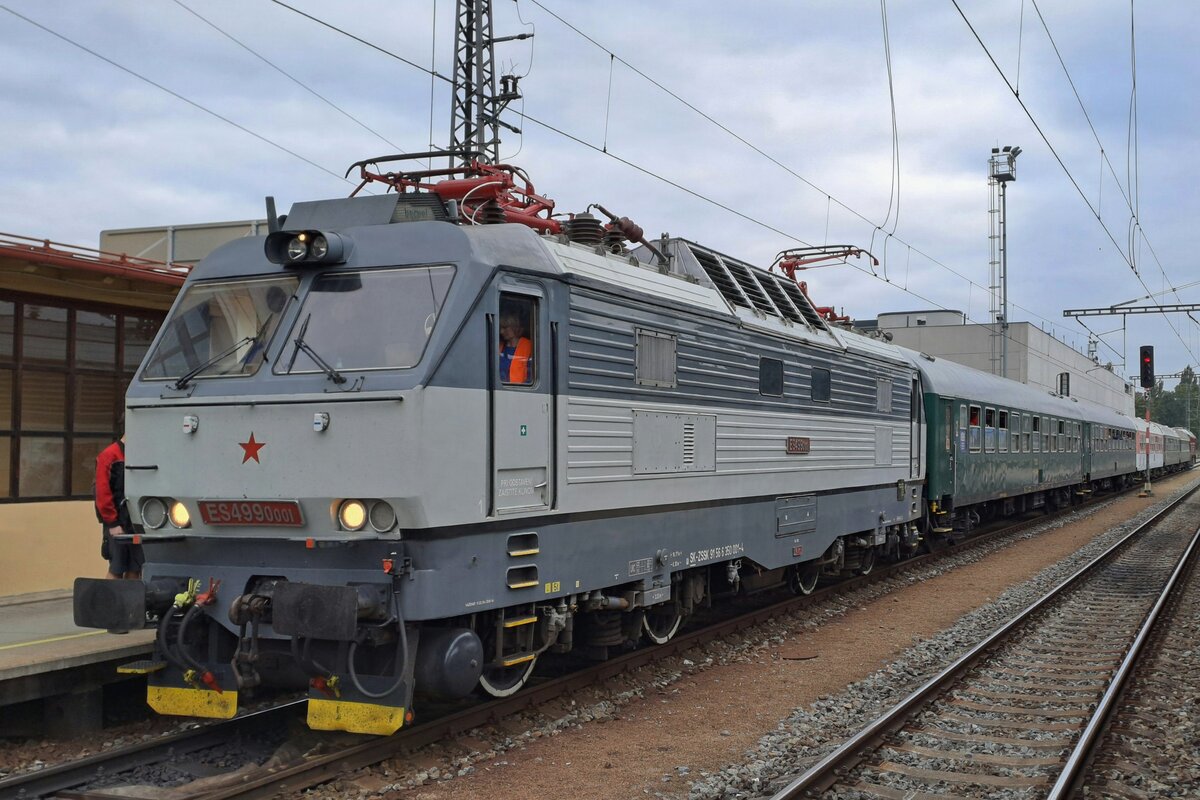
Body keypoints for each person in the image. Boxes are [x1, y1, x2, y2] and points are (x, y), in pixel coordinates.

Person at [96, 422, 142, 581]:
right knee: (116, 568)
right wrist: (112, 523)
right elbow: (102, 492)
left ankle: (130, 598)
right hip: (117, 522)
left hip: (135, 521)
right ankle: (108, 597)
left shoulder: (139, 456)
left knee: (135, 569)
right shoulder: (109, 455)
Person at [498, 312, 533, 383]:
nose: (501, 331)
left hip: (519, 389)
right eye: (500, 328)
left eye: (505, 327)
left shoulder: (530, 348)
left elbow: (532, 378)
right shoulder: (497, 346)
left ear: (515, 327)